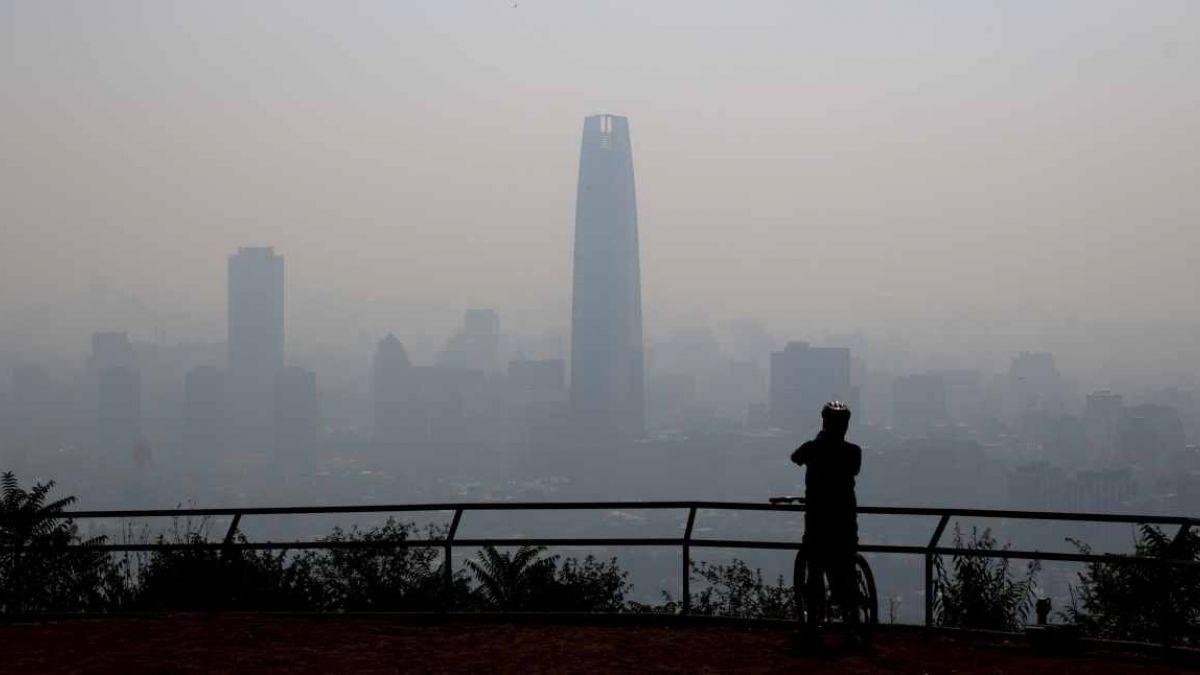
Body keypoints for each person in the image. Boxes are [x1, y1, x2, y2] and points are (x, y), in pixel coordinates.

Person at [790, 401, 863, 646]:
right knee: (845, 571)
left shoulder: (813, 448)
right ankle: (851, 622)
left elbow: (795, 457)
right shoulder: (854, 452)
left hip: (818, 522)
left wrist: (819, 440)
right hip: (845, 522)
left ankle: (812, 625)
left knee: (815, 571)